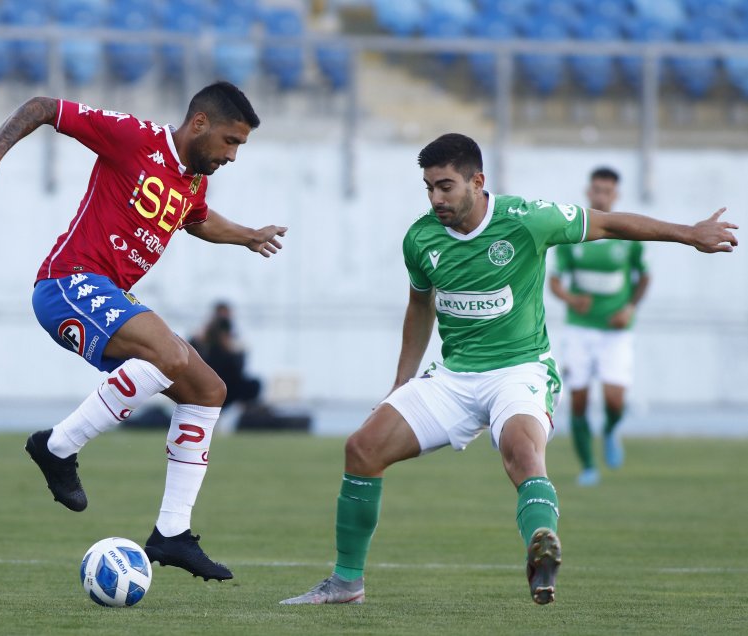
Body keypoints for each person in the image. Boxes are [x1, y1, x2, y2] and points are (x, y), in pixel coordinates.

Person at [280, 133, 737, 606]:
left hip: (520, 372)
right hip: (454, 378)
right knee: (362, 447)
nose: (436, 198)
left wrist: (688, 233)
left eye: (446, 186)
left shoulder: (525, 220)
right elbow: (420, 306)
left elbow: (610, 223)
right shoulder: (420, 238)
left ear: (477, 181)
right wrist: (401, 383)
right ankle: (346, 583)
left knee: (521, 450)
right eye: (428, 188)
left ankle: (542, 545)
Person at [0, 82, 287, 582]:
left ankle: (172, 533)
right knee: (169, 357)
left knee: (208, 390)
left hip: (112, 297)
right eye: (230, 141)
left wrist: (247, 236)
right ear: (199, 123)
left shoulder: (194, 181)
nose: (233, 155)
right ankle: (57, 446)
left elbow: (195, 221)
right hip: (68, 284)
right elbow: (47, 107)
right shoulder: (135, 138)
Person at [549, 167, 649, 487]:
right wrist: (570, 299)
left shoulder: (627, 235)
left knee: (614, 400)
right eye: (596, 190)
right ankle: (589, 466)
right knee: (577, 399)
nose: (601, 195)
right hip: (580, 329)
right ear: (588, 192)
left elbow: (643, 277)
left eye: (607, 190)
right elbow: (554, 281)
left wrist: (629, 307)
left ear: (615, 195)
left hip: (615, 329)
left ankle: (609, 430)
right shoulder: (573, 234)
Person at [190, 301, 262, 408]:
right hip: (208, 378)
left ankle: (241, 414)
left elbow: (239, 368)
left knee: (254, 384)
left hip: (229, 382)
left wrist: (231, 347)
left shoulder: (233, 339)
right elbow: (192, 356)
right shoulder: (203, 337)